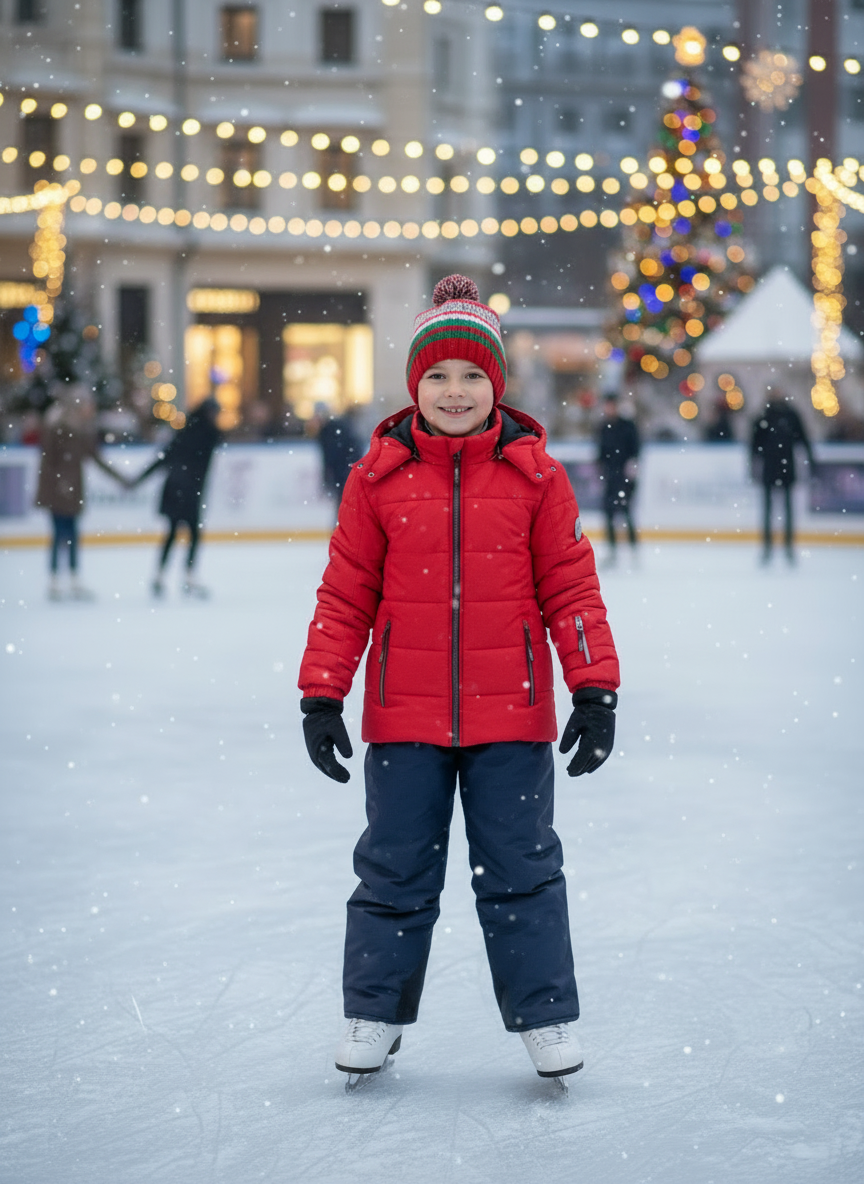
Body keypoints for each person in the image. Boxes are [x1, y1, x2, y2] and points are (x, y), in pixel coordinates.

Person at [298, 275, 620, 1085]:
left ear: (496, 385)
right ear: (415, 386)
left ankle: (546, 1021)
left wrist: (593, 687)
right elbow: (345, 594)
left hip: (511, 719)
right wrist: (322, 691)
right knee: (393, 871)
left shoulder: (536, 478)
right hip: (402, 720)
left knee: (523, 872)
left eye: (472, 375)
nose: (454, 391)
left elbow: (572, 589)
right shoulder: (377, 479)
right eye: (438, 375)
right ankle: (373, 1014)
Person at [34, 384, 130, 601]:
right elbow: (47, 462)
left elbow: (96, 458)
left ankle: (73, 580)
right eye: (87, 405)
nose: (90, 409)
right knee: (60, 534)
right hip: (58, 492)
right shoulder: (56, 427)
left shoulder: (81, 432)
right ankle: (55, 581)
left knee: (72, 535)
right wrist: (56, 485)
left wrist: (122, 479)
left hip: (72, 490)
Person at [132, 396, 222, 597]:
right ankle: (187, 577)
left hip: (174, 488)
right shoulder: (208, 433)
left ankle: (161, 576)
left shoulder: (186, 431)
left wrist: (138, 480)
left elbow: (164, 457)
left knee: (173, 533)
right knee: (192, 534)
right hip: (189, 491)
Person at [750, 390, 815, 564]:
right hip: (772, 468)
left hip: (785, 467)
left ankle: (787, 547)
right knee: (769, 511)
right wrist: (752, 467)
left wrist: (811, 462)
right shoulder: (764, 415)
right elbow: (754, 445)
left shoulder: (789, 415)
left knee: (786, 510)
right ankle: (768, 547)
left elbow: (803, 439)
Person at [596, 392, 640, 564]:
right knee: (608, 513)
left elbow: (635, 449)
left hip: (625, 477)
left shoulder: (627, 426)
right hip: (609, 476)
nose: (609, 409)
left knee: (626, 512)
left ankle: (633, 550)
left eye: (611, 405)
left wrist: (632, 466)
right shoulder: (603, 426)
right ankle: (612, 551)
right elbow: (601, 452)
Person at [312, 401, 362, 520]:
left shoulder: (333, 430)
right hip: (343, 475)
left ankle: (344, 532)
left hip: (345, 474)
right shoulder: (328, 431)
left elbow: (334, 456)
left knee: (346, 507)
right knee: (343, 507)